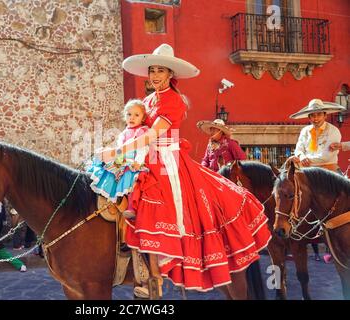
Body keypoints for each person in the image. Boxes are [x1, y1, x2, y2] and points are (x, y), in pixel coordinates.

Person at [96, 44, 272, 294]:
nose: (155, 75)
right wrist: (118, 147)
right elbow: (136, 129)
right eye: (152, 70)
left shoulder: (174, 100)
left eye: (160, 70)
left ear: (170, 74)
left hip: (167, 159)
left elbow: (153, 134)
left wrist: (116, 152)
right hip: (145, 155)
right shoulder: (146, 101)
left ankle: (157, 268)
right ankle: (135, 262)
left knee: (161, 204)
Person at [88, 99, 149, 218]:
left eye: (136, 115)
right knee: (110, 172)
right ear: (124, 116)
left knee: (132, 180)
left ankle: (132, 207)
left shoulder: (142, 131)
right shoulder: (124, 133)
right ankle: (112, 199)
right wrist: (118, 163)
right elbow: (120, 149)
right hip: (123, 160)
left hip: (134, 161)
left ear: (142, 118)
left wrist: (138, 161)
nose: (132, 118)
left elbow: (142, 148)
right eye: (129, 114)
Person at [290, 98, 345, 174]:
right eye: (312, 115)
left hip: (329, 171)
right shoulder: (305, 131)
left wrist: (305, 160)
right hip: (307, 171)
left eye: (319, 114)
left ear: (325, 115)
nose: (316, 118)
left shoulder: (333, 130)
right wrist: (302, 156)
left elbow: (326, 157)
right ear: (309, 118)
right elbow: (298, 149)